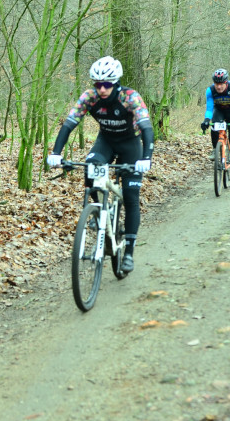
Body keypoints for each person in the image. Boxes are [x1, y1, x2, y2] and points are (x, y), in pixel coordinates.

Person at [47, 56, 154, 274]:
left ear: (115, 83)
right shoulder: (90, 97)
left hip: (131, 145)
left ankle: (130, 253)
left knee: (131, 196)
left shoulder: (129, 97)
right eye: (98, 84)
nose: (102, 89)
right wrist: (56, 153)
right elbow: (69, 124)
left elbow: (146, 127)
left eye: (106, 85)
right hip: (106, 141)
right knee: (89, 166)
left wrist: (146, 158)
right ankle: (96, 211)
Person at [200, 68, 230, 181]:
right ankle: (215, 149)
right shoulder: (210, 90)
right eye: (216, 84)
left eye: (221, 84)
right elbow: (209, 108)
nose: (218, 87)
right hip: (219, 111)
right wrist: (206, 120)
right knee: (214, 126)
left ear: (226, 82)